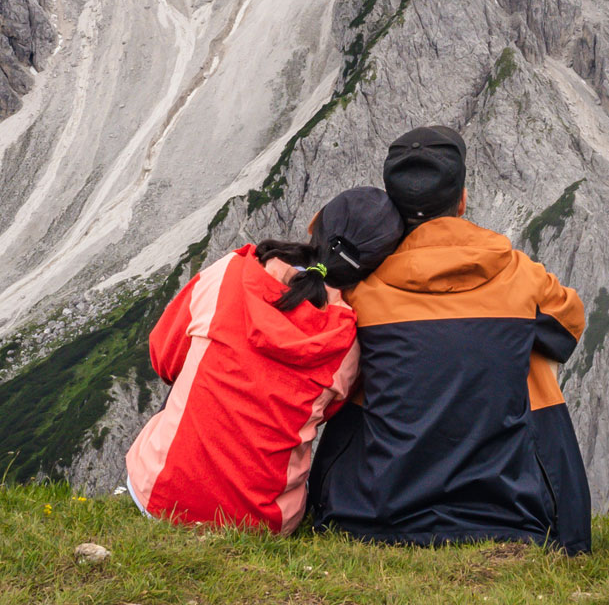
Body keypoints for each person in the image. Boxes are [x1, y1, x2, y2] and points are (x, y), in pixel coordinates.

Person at [309, 125, 592, 553]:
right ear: (461, 199)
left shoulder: (362, 292)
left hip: (371, 515)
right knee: (530, 354)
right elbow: (569, 327)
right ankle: (550, 519)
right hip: (509, 519)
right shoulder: (519, 275)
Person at [124, 185, 404, 532]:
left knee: (193, 369)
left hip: (160, 498)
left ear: (314, 223)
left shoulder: (229, 272)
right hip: (262, 523)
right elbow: (326, 413)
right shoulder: (349, 344)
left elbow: (163, 358)